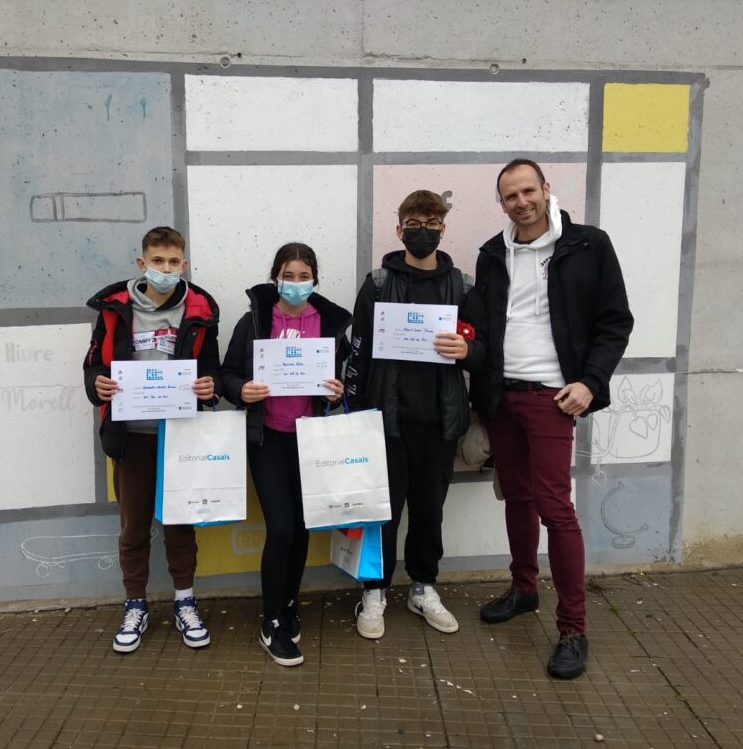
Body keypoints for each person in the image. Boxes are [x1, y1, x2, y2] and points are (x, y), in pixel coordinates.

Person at [472, 159, 633, 679]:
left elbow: (615, 321)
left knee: (555, 509)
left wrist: (590, 381)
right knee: (516, 498)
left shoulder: (589, 245)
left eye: (528, 191)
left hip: (553, 398)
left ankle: (572, 628)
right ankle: (524, 590)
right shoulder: (492, 254)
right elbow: (484, 326)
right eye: (510, 196)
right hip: (502, 396)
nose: (521, 202)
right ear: (501, 203)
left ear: (546, 189)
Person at [344, 190, 484, 640]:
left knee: (429, 513)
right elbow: (358, 352)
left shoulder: (462, 286)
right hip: (387, 423)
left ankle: (423, 587)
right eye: (414, 223)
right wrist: (356, 415)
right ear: (399, 228)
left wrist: (467, 351)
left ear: (443, 229)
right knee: (382, 513)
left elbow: (484, 350)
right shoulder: (378, 284)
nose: (422, 231)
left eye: (431, 224)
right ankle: (374, 592)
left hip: (440, 423)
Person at [82, 226, 221, 654]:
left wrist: (209, 388)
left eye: (173, 262)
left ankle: (185, 601)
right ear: (142, 263)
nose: (165, 268)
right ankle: (135, 604)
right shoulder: (114, 309)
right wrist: (97, 385)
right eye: (157, 261)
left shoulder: (200, 310)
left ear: (184, 264)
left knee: (180, 524)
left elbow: (211, 370)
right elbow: (93, 363)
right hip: (131, 437)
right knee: (134, 525)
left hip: (180, 436)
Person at [220, 243, 351, 667]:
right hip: (269, 439)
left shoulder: (329, 325)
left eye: (304, 276)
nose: (296, 284)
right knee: (280, 529)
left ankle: (289, 604)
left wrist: (336, 393)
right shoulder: (255, 321)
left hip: (310, 440)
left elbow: (344, 380)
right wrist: (240, 390)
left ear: (315, 279)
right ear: (275, 278)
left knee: (302, 528)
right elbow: (227, 373)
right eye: (288, 276)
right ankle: (271, 620)